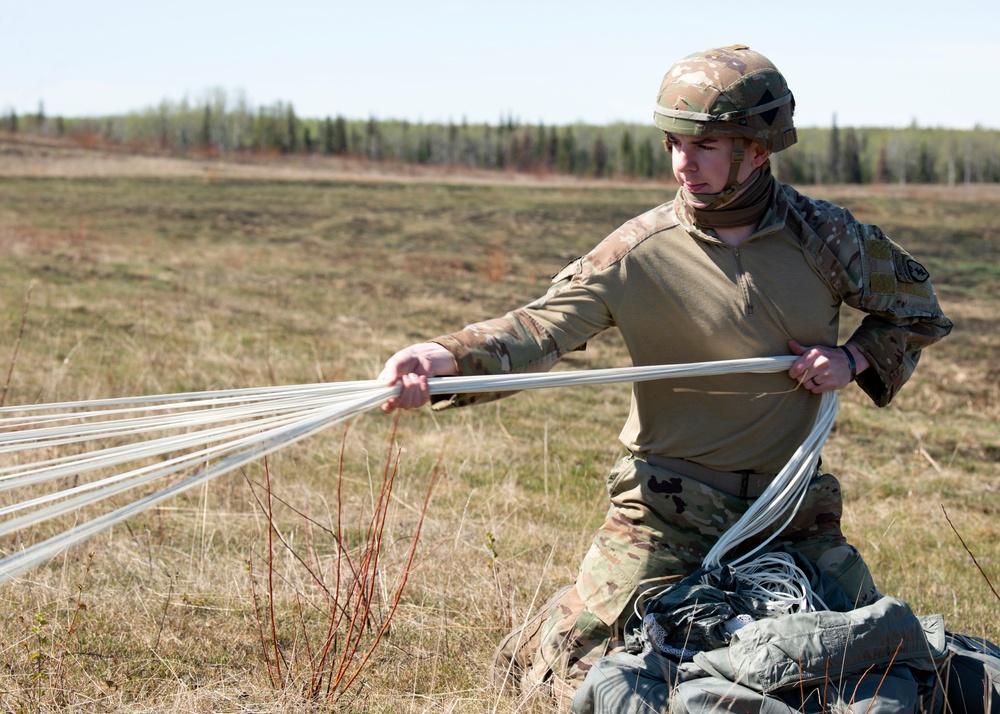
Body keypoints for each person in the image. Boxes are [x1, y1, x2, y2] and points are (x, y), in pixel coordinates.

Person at [378, 44, 953, 705]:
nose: (684, 163)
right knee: (582, 664)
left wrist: (851, 360)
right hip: (663, 511)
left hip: (790, 512)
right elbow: (537, 330)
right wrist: (440, 357)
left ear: (758, 149)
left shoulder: (827, 238)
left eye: (706, 146)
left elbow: (916, 310)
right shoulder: (636, 252)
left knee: (877, 655)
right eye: (674, 143)